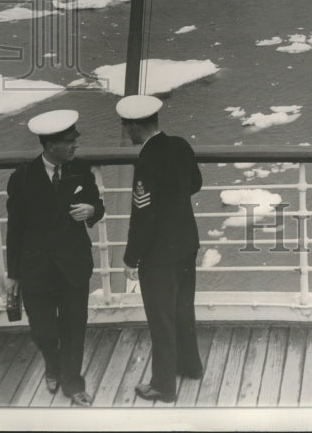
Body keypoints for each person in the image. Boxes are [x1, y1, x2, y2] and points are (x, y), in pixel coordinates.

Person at [5, 109, 104, 407]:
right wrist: (13, 274)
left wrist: (92, 211)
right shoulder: (21, 178)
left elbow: (97, 204)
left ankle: (72, 383)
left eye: (75, 140)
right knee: (43, 330)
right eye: (69, 142)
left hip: (73, 264)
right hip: (36, 268)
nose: (76, 146)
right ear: (49, 146)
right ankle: (52, 364)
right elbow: (15, 228)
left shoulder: (81, 170)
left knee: (75, 328)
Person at [116, 94, 203, 403]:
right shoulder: (180, 145)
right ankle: (191, 366)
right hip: (186, 243)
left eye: (127, 127)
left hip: (159, 255)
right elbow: (195, 183)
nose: (127, 133)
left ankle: (163, 386)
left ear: (136, 127)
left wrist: (130, 258)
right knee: (183, 309)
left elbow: (143, 216)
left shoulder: (147, 161)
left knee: (161, 319)